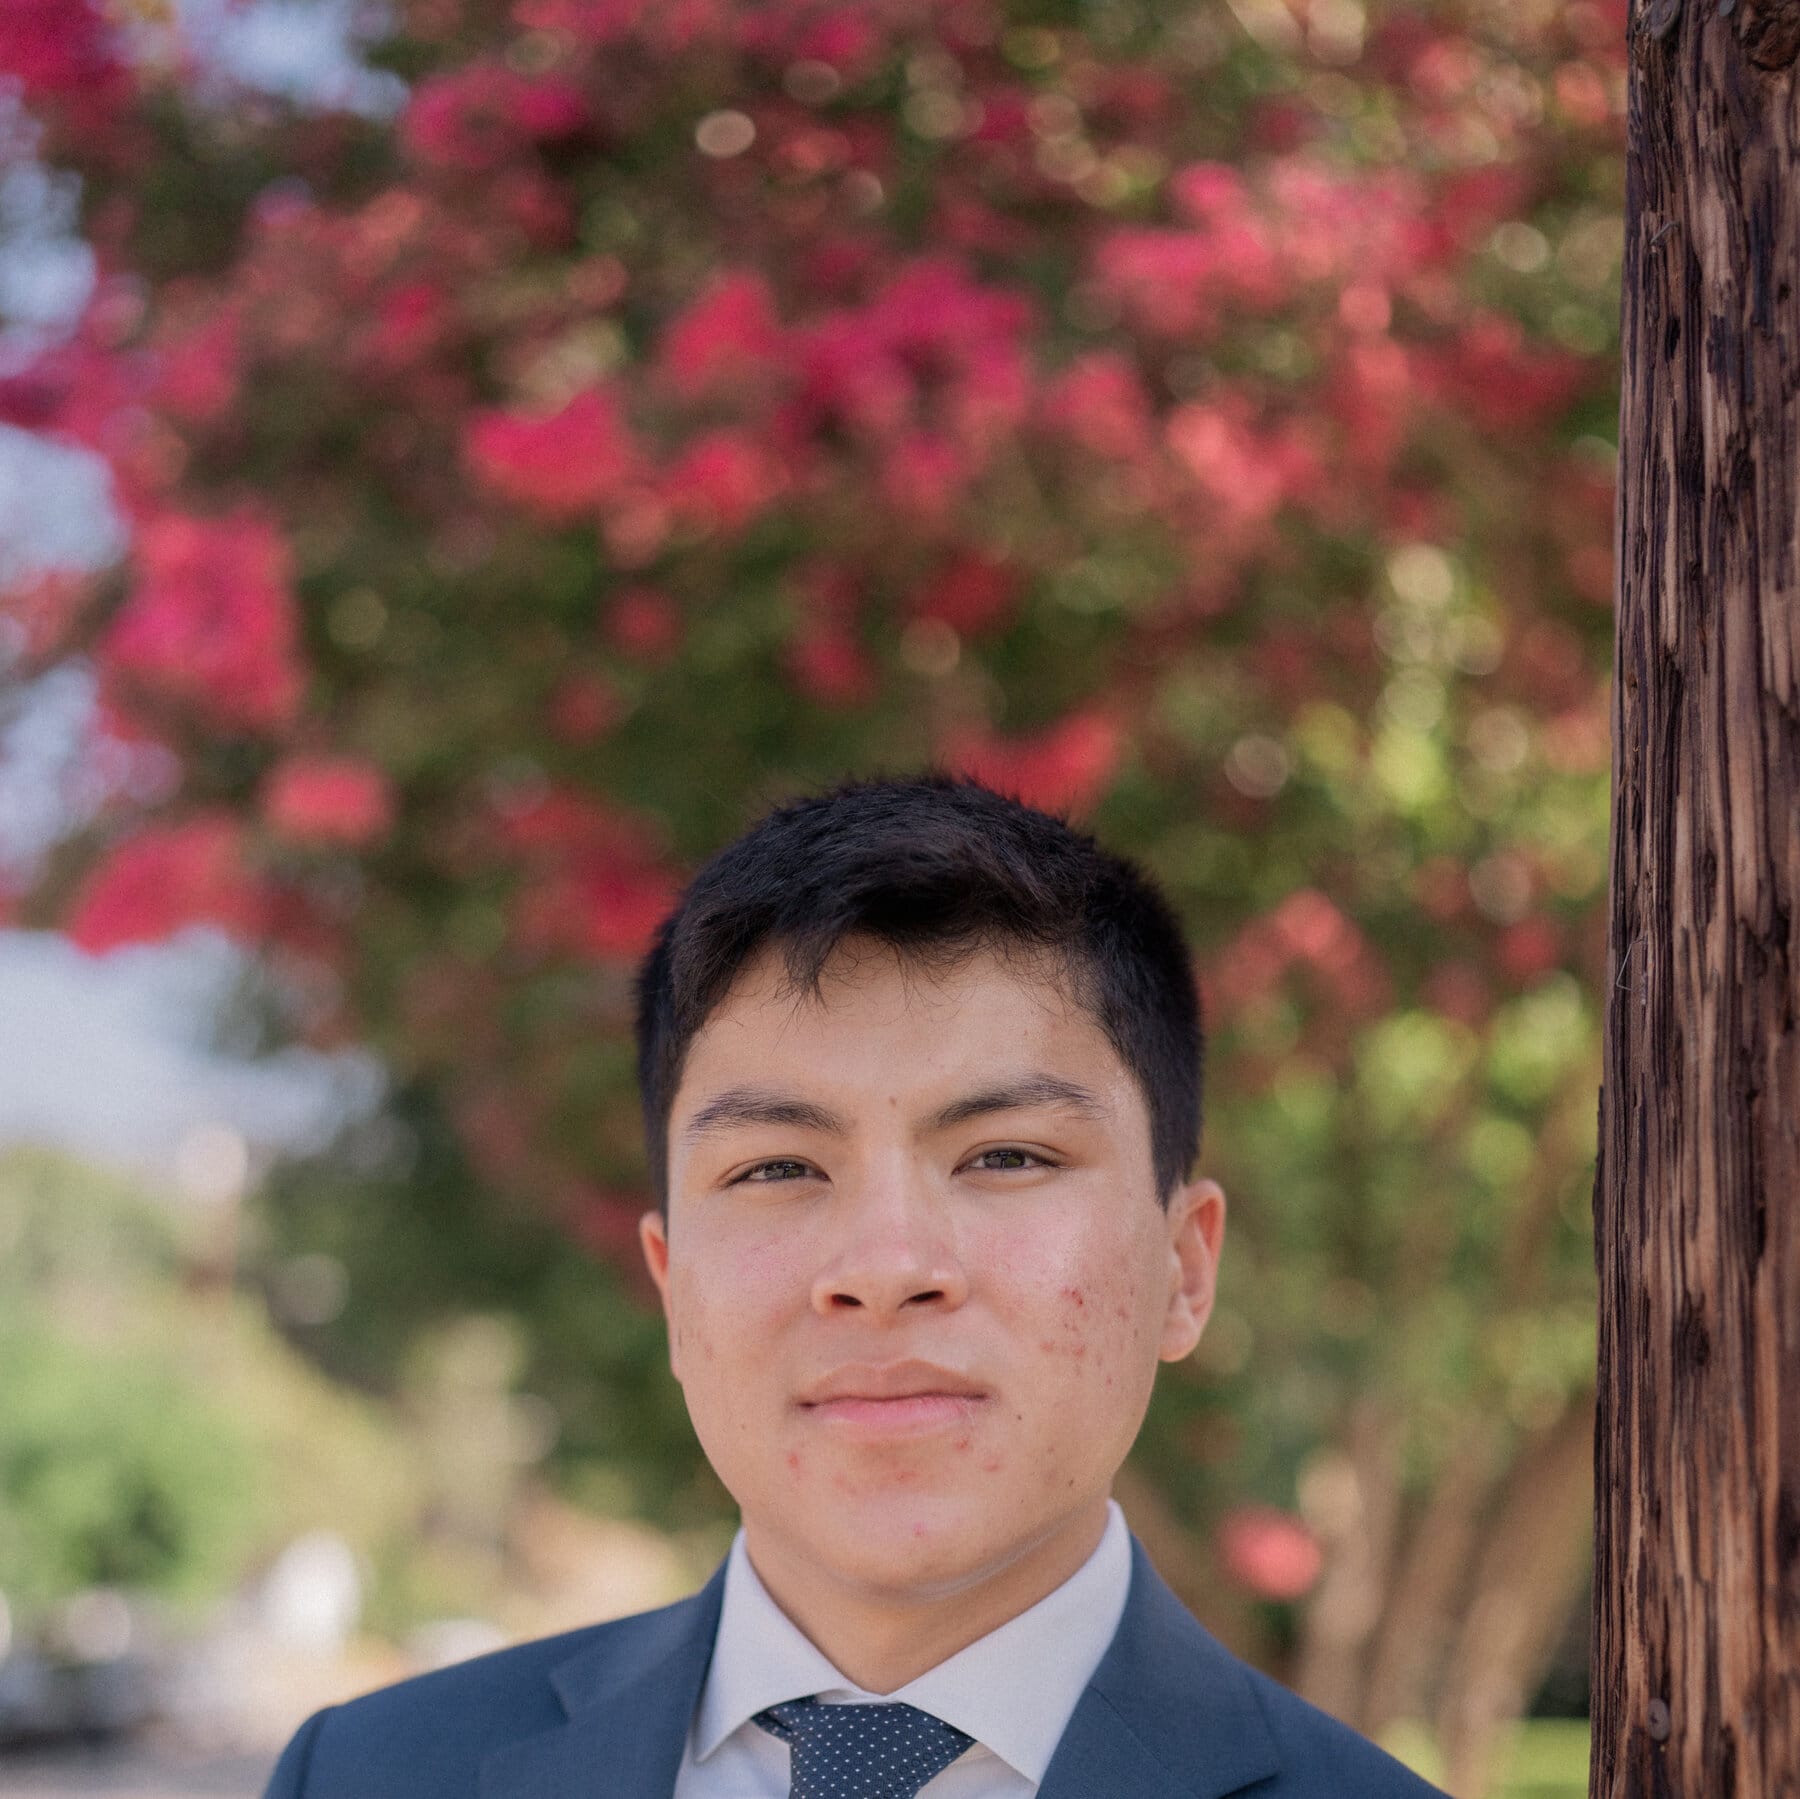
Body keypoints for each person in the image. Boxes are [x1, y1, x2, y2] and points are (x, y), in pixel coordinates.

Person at [263, 774, 1445, 1798]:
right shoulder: (367, 1772)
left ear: (1184, 1268)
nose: (884, 1270)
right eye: (778, 1165)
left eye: (1007, 1155)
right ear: (672, 1288)